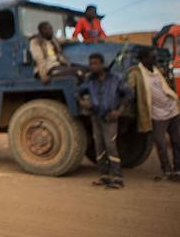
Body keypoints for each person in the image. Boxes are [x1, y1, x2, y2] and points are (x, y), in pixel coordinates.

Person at [77, 53, 130, 188]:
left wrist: (119, 112)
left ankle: (118, 178)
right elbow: (77, 92)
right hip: (96, 116)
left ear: (102, 64)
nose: (93, 66)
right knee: (99, 147)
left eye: (95, 63)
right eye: (91, 64)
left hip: (110, 117)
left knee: (110, 146)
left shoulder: (115, 78)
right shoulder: (90, 80)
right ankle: (104, 176)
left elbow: (128, 94)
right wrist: (83, 102)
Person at [127, 47, 180, 181]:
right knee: (161, 143)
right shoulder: (136, 73)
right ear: (143, 59)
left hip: (172, 109)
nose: (155, 59)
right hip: (157, 115)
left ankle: (177, 169)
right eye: (152, 57)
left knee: (177, 141)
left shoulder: (158, 70)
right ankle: (167, 170)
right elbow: (129, 89)